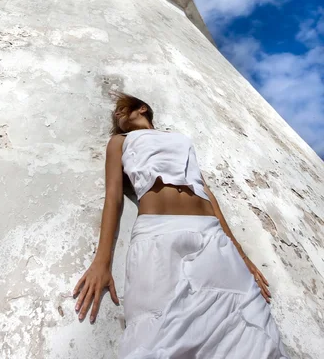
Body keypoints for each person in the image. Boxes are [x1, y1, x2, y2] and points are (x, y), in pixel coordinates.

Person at [73, 93, 289, 358]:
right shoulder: (119, 142)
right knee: (161, 334)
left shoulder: (179, 138)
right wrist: (102, 262)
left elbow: (206, 192)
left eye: (120, 109)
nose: (116, 115)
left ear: (142, 108)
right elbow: (113, 196)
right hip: (157, 233)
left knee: (248, 334)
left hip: (211, 235)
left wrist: (242, 255)